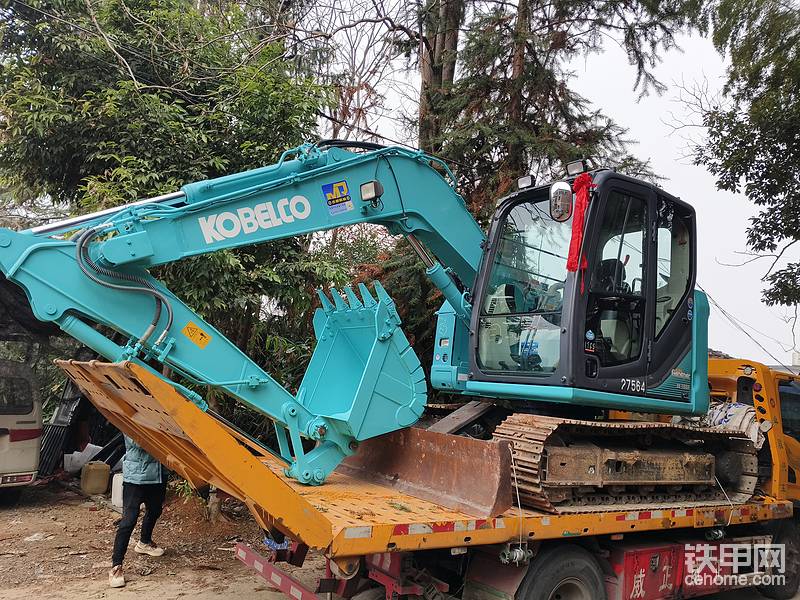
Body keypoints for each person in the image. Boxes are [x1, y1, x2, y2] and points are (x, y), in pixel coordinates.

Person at [108, 435, 168, 588]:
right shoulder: (133, 420)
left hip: (158, 473)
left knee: (155, 510)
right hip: (136, 476)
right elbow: (138, 442)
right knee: (129, 520)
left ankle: (144, 542)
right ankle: (116, 566)